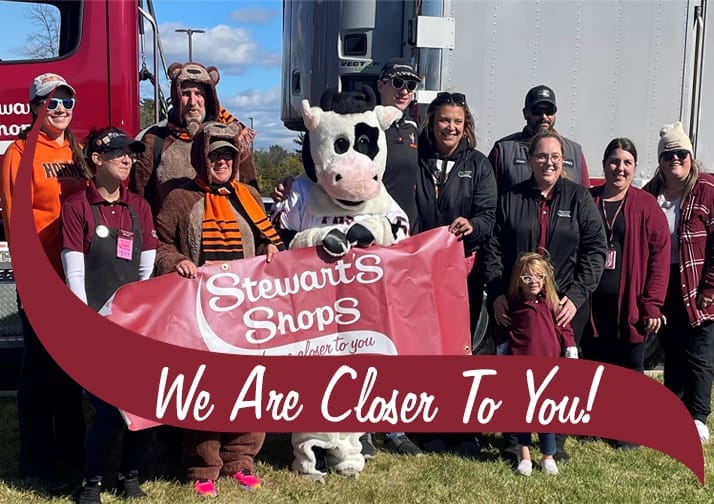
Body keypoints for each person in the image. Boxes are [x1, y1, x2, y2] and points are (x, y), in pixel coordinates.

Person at [154, 121, 283, 497]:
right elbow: (160, 244)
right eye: (214, 155)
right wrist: (175, 261)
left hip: (247, 309)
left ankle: (240, 458)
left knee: (249, 382)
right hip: (200, 310)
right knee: (206, 387)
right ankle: (203, 464)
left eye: (228, 154)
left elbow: (266, 241)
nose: (222, 161)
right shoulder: (179, 199)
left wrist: (270, 251)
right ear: (200, 158)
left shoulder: (250, 197)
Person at [481, 130, 606, 463]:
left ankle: (555, 442)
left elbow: (596, 250)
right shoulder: (510, 198)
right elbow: (492, 249)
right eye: (542, 156)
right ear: (530, 159)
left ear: (563, 160)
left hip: (562, 305)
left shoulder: (579, 199)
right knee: (513, 372)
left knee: (560, 374)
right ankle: (512, 440)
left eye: (555, 157)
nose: (549, 162)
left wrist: (577, 296)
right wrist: (496, 294)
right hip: (516, 306)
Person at [0, 72, 90, 488]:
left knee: (71, 369)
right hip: (42, 276)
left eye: (66, 101)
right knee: (38, 372)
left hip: (76, 277)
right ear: (34, 108)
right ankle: (37, 462)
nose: (59, 109)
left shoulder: (76, 150)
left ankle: (74, 452)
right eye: (50, 102)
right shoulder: (18, 154)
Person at [60, 127, 157, 503]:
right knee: (107, 411)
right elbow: (75, 274)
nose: (126, 159)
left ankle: (129, 475)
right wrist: (89, 324)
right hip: (95, 326)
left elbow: (146, 273)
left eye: (130, 154)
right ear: (96, 160)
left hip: (134, 327)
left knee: (144, 406)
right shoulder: (77, 207)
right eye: (118, 153)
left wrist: (138, 319)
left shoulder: (140, 207)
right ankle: (92, 482)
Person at [414, 91, 497, 455]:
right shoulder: (414, 159)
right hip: (417, 274)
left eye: (457, 122)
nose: (450, 127)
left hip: (463, 274)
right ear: (431, 123)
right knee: (427, 352)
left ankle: (464, 429)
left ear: (466, 128)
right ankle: (429, 426)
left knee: (462, 351)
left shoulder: (478, 164)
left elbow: (489, 215)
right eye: (444, 120)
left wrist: (473, 225)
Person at [643, 122, 714, 444]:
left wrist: (710, 288)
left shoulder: (708, 189)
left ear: (691, 156)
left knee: (698, 351)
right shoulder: (649, 195)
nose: (675, 160)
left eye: (681, 153)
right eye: (668, 155)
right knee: (671, 350)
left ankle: (698, 416)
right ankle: (673, 411)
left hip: (698, 283)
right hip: (664, 282)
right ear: (660, 161)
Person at [586, 139, 670, 378]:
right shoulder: (588, 200)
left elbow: (659, 257)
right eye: (614, 161)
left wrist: (652, 303)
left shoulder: (646, 205)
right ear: (604, 165)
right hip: (591, 308)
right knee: (592, 376)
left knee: (630, 377)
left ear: (634, 167)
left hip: (629, 310)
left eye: (627, 162)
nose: (620, 168)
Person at [131, 61, 258, 214]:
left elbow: (252, 197)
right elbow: (139, 201)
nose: (193, 102)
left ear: (209, 98)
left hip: (227, 234)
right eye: (185, 94)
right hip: (168, 235)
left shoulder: (233, 141)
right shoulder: (154, 141)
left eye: (199, 94)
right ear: (176, 96)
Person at [497, 252, 578, 476]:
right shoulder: (512, 305)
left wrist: (570, 350)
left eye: (538, 277)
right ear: (518, 280)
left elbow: (565, 329)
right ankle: (524, 456)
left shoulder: (552, 303)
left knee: (546, 414)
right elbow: (503, 332)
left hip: (548, 371)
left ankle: (548, 455)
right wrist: (502, 354)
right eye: (527, 278)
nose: (533, 282)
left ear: (545, 279)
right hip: (520, 371)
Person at [488, 85, 589, 193]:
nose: (544, 116)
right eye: (537, 110)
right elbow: (489, 196)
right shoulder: (503, 150)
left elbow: (585, 198)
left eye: (549, 111)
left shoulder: (575, 152)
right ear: (525, 113)